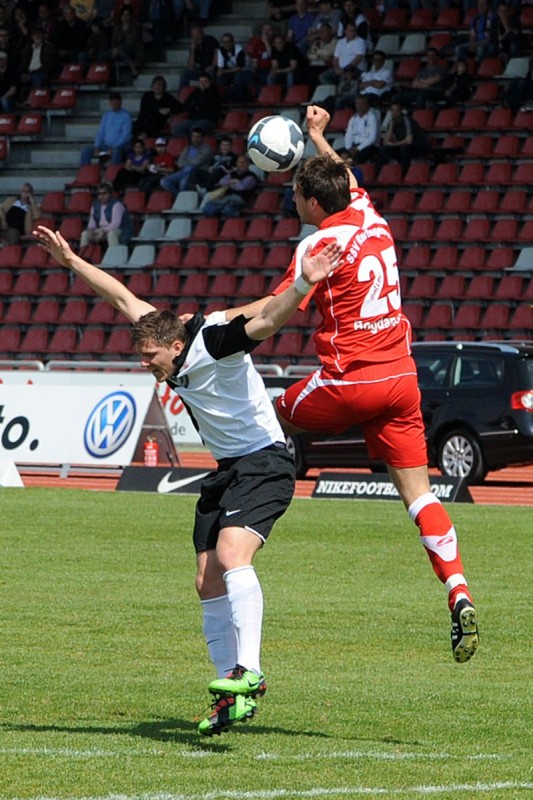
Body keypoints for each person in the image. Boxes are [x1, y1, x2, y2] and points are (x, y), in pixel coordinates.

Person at [32, 222, 340, 737]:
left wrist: (303, 285)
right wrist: (70, 262)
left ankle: (251, 670)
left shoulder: (214, 341)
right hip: (227, 470)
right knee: (206, 579)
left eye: (150, 357)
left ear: (175, 347)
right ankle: (229, 696)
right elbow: (120, 295)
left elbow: (266, 320)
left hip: (264, 460)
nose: (145, 364)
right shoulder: (164, 337)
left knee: (231, 556)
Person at [221, 104, 480, 666]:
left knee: (271, 413)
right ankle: (457, 587)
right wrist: (318, 136)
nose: (294, 204)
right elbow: (348, 180)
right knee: (420, 494)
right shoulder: (369, 213)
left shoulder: (317, 245)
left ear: (313, 204)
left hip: (349, 379)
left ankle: (244, 513)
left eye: (296, 198)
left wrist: (218, 321)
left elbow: (275, 310)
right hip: (402, 378)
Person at [80, 91, 133, 166]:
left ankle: (113, 174)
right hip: (106, 145)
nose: (114, 103)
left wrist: (114, 147)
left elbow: (126, 136)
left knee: (116, 151)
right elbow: (100, 132)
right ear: (109, 102)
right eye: (112, 101)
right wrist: (97, 146)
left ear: (120, 102)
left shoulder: (126, 116)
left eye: (116, 101)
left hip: (121, 146)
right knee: (86, 151)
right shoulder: (106, 115)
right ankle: (85, 175)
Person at [377, 101, 430, 175]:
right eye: (392, 110)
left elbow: (409, 140)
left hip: (417, 146)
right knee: (384, 149)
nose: (394, 113)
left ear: (400, 111)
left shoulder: (406, 120)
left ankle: (405, 173)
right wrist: (391, 125)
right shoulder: (392, 122)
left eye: (396, 110)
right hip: (402, 145)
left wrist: (394, 144)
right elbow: (386, 141)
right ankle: (380, 173)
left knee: (404, 148)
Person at [200, 153, 258, 218]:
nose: (242, 164)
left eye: (244, 162)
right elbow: (221, 182)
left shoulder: (251, 176)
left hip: (240, 201)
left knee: (228, 209)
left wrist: (233, 183)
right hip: (225, 199)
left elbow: (241, 187)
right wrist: (233, 181)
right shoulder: (232, 174)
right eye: (240, 162)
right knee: (208, 208)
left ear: (248, 164)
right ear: (236, 164)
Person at [160, 127, 213, 195]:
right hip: (183, 171)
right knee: (164, 181)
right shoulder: (188, 148)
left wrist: (187, 159)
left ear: (202, 138)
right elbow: (179, 163)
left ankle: (181, 198)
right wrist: (190, 161)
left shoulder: (207, 148)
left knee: (183, 182)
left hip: (196, 173)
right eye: (194, 137)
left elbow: (197, 162)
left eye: (198, 137)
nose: (196, 139)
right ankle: (178, 196)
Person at [79, 181, 133, 248]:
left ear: (110, 194)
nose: (102, 196)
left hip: (120, 229)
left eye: (104, 193)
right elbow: (92, 222)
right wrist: (91, 230)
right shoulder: (95, 205)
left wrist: (104, 232)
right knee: (85, 234)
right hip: (102, 229)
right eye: (99, 194)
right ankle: (83, 255)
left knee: (111, 234)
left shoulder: (117, 205)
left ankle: (114, 255)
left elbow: (115, 224)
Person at [170, 72, 221, 137]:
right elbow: (187, 103)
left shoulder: (214, 93)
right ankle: (190, 141)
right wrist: (195, 106)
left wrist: (195, 105)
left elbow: (208, 106)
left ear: (210, 82)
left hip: (208, 120)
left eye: (205, 82)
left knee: (195, 129)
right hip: (193, 120)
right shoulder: (196, 92)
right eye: (201, 82)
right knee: (176, 129)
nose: (203, 84)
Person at [318, 21, 367, 86]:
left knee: (345, 77)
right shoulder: (340, 42)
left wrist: (345, 69)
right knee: (323, 77)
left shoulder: (360, 41)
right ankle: (333, 91)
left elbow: (358, 59)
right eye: (350, 31)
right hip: (340, 69)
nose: (353, 33)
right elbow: (335, 59)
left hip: (354, 69)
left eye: (354, 31)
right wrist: (337, 68)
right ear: (345, 31)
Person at [344, 93, 379, 163]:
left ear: (367, 104)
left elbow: (372, 138)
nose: (360, 106)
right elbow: (348, 135)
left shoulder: (372, 117)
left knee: (358, 157)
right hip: (353, 146)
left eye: (362, 103)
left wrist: (358, 149)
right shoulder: (353, 118)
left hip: (368, 146)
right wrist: (348, 148)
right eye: (358, 104)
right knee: (336, 154)